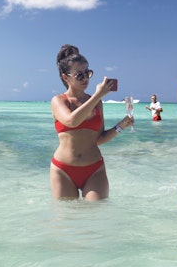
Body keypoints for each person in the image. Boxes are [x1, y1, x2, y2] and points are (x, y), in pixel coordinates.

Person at [50, 44, 134, 200]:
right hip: (63, 170)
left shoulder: (96, 102)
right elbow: (71, 121)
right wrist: (97, 95)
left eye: (87, 73)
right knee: (67, 220)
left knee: (97, 217)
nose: (86, 78)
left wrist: (121, 126)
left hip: (94, 169)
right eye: (79, 75)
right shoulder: (59, 101)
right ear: (65, 77)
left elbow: (99, 139)